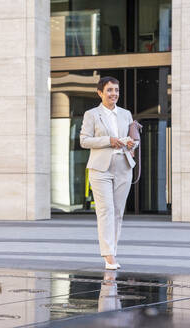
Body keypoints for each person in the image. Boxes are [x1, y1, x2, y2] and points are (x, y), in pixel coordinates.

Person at [80, 76, 137, 270]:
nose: (114, 94)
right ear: (100, 93)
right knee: (106, 211)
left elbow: (133, 140)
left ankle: (112, 249)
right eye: (110, 90)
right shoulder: (92, 114)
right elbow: (84, 141)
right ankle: (108, 255)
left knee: (118, 212)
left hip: (123, 166)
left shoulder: (126, 114)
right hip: (100, 168)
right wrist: (108, 140)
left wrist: (131, 143)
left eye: (116, 90)